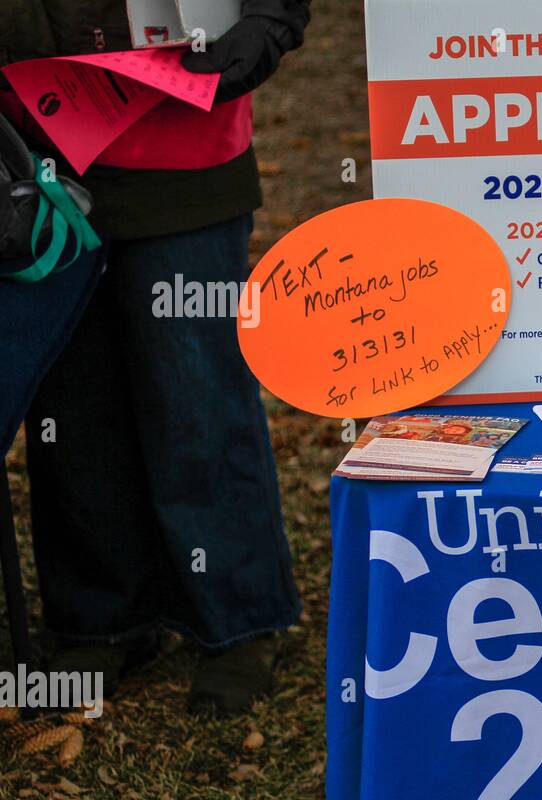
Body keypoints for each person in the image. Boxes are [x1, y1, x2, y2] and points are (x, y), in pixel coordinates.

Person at [0, 0, 312, 716]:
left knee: (195, 393)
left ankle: (239, 619)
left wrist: (268, 21)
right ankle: (103, 617)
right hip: (34, 152)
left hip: (185, 149)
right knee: (70, 405)